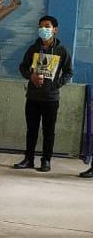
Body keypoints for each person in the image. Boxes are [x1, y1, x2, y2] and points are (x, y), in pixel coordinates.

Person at [13, 15, 72, 173]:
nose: (43, 29)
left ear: (55, 30)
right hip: (33, 97)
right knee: (31, 130)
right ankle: (28, 159)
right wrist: (30, 76)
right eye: (41, 26)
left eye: (47, 26)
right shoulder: (33, 49)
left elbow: (69, 72)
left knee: (48, 131)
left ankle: (46, 160)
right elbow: (23, 67)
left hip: (51, 98)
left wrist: (56, 85)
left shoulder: (61, 50)